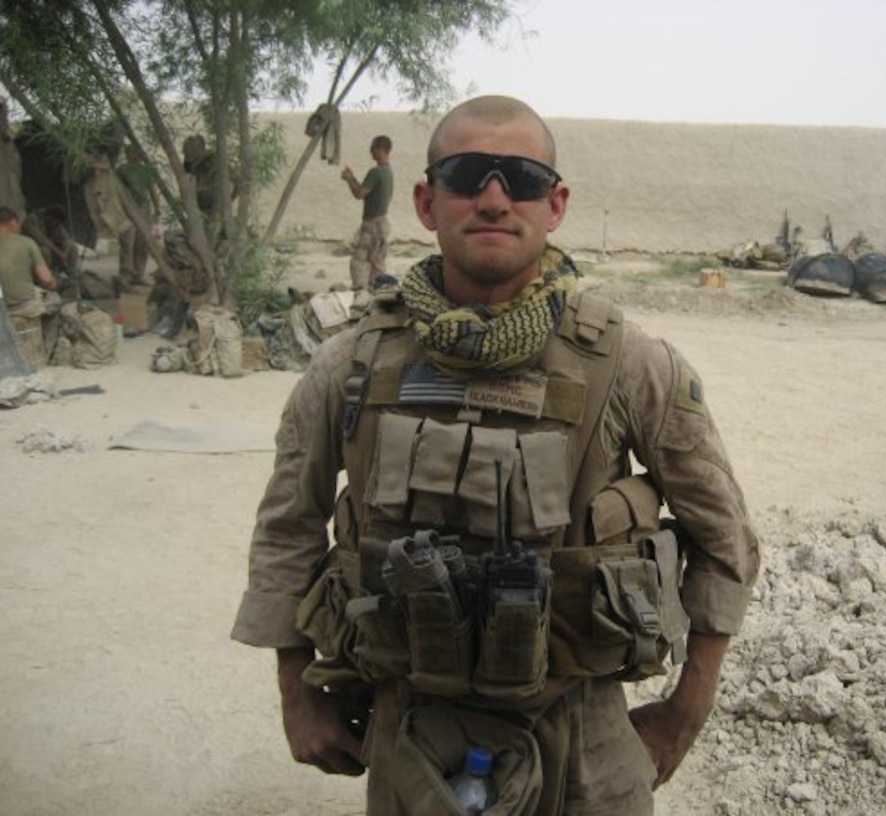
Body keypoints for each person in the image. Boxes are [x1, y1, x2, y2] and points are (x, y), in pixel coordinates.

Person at [232, 96, 760, 814]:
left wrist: (684, 712)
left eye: (521, 178)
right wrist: (297, 692)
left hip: (584, 739)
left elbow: (725, 536)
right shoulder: (349, 363)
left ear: (556, 204)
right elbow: (288, 528)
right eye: (467, 174)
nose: (492, 197)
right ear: (425, 200)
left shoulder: (629, 363)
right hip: (408, 732)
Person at [340, 135, 393, 291]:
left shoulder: (376, 172)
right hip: (382, 224)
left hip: (372, 225)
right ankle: (378, 297)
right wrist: (353, 178)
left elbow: (359, 193)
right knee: (377, 266)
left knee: (359, 262)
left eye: (372, 148)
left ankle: (360, 295)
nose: (370, 151)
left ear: (380, 149)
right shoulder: (388, 172)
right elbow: (365, 190)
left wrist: (349, 179)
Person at [0, 205, 59, 319]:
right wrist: (54, 283)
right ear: (13, 223)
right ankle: (48, 336)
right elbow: (46, 279)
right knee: (55, 300)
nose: (20, 229)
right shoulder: (26, 242)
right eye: (18, 225)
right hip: (22, 306)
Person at [116, 144, 160, 286]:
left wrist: (157, 208)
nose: (133, 155)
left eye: (135, 152)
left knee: (143, 242)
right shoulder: (122, 170)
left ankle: (138, 273)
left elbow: (152, 190)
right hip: (127, 209)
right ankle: (125, 274)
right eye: (129, 152)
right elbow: (117, 192)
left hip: (143, 209)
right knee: (127, 242)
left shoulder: (146, 170)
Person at [22, 206, 81, 280]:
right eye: (56, 222)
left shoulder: (55, 224)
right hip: (30, 250)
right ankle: (46, 276)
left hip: (49, 250)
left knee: (73, 247)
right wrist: (59, 252)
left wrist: (65, 253)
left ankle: (71, 273)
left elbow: (66, 239)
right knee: (44, 250)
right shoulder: (32, 220)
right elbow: (42, 240)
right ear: (49, 217)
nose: (56, 225)